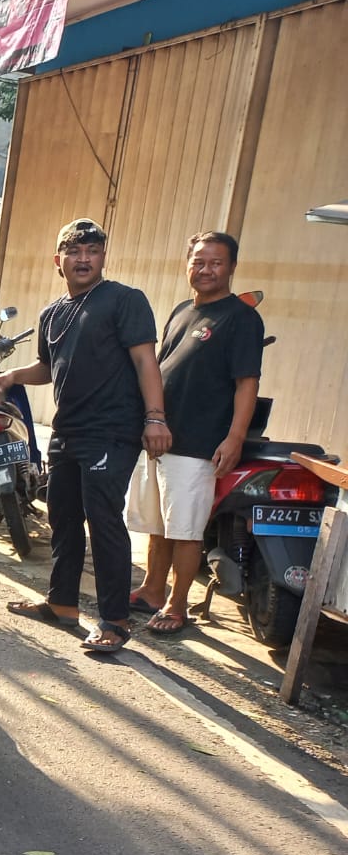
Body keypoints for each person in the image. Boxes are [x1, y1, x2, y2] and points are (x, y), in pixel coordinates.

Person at [0, 218, 171, 654]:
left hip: (111, 431)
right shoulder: (53, 312)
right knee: (63, 516)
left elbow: (147, 362)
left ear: (103, 257)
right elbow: (48, 367)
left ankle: (114, 620)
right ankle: (63, 604)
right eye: (74, 252)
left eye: (92, 250)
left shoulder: (124, 301)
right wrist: (13, 373)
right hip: (67, 430)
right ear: (59, 261)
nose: (84, 259)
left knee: (103, 520)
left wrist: (155, 418)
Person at [126, 231, 263, 634]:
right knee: (158, 524)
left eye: (215, 262)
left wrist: (234, 437)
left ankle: (176, 603)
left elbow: (246, 383)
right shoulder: (184, 310)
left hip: (199, 443)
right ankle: (152, 589)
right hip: (158, 437)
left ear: (232, 267)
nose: (205, 269)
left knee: (185, 529)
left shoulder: (241, 319)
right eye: (198, 261)